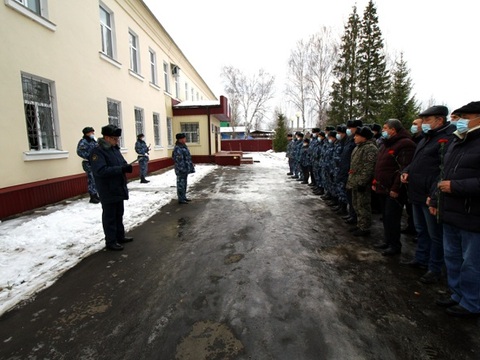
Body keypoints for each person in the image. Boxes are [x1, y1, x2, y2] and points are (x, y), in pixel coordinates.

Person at [429, 101, 480, 317]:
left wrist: (456, 187)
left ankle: (471, 303)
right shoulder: (458, 142)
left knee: (472, 263)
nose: (458, 121)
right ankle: (456, 294)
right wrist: (435, 198)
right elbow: (443, 173)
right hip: (450, 211)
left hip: (472, 214)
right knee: (453, 258)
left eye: (464, 117)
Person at [401, 106, 455, 284]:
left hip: (429, 196)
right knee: (421, 230)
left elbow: (443, 170)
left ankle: (434, 268)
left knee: (435, 235)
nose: (423, 124)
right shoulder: (426, 138)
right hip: (416, 192)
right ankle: (420, 258)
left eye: (427, 120)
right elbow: (416, 162)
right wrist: (407, 170)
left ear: (439, 120)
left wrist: (433, 195)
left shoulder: (446, 140)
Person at [372, 119, 416, 256]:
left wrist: (396, 188)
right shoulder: (387, 143)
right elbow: (380, 165)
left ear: (393, 130)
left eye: (386, 128)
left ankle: (395, 245)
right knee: (386, 216)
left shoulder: (405, 144)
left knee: (392, 217)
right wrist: (375, 181)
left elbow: (402, 169)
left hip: (393, 189)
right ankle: (388, 241)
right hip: (382, 187)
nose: (383, 130)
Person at [90, 124, 133, 251]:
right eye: (115, 138)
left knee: (119, 213)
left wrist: (126, 166)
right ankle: (111, 241)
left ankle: (120, 236)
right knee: (110, 216)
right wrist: (121, 169)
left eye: (118, 139)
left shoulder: (114, 149)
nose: (117, 141)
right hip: (108, 189)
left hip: (118, 187)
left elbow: (122, 162)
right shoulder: (97, 152)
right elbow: (100, 170)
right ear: (107, 138)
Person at [346, 126, 378, 236]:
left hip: (362, 183)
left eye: (357, 135)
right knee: (356, 204)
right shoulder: (358, 147)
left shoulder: (370, 148)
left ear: (364, 137)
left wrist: (362, 182)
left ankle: (365, 227)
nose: (354, 137)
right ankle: (360, 224)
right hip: (355, 181)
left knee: (363, 205)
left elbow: (368, 168)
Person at [76, 127, 100, 204]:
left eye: (93, 132)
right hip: (88, 163)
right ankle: (92, 196)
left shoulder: (93, 141)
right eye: (91, 132)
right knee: (91, 179)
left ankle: (96, 195)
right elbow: (80, 152)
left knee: (96, 179)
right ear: (87, 133)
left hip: (95, 163)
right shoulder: (83, 141)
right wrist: (90, 157)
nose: (93, 134)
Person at [173, 133, 195, 204]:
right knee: (180, 184)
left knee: (184, 183)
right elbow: (178, 160)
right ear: (180, 139)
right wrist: (182, 168)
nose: (185, 139)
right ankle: (181, 199)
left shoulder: (183, 146)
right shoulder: (177, 148)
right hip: (181, 169)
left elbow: (187, 157)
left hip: (185, 168)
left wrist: (190, 165)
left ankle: (184, 197)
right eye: (184, 138)